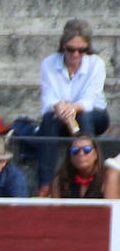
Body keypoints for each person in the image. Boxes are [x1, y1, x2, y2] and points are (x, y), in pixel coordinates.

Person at [35, 20, 109, 195]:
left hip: (93, 114)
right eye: (71, 49)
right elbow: (48, 97)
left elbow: (90, 98)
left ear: (87, 49)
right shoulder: (49, 63)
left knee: (84, 116)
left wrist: (72, 108)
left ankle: (93, 173)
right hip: (60, 115)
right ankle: (45, 184)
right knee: (49, 119)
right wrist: (59, 107)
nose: (76, 54)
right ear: (63, 46)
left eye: (82, 50)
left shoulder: (96, 64)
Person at [45, 133, 104, 200]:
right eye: (75, 150)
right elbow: (56, 209)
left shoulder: (106, 178)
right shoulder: (59, 180)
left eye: (87, 149)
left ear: (96, 154)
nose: (81, 153)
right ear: (70, 156)